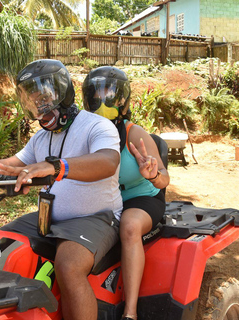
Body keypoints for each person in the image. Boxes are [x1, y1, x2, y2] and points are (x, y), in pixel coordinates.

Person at [0, 59, 123, 320]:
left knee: (69, 266)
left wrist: (56, 167)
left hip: (96, 218)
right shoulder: (40, 138)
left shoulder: (96, 126)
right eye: (34, 100)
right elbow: (8, 165)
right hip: (48, 219)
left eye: (45, 97)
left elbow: (108, 162)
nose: (40, 106)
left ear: (64, 93)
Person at [82, 66, 170, 320]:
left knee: (130, 226)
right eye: (95, 94)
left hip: (141, 198)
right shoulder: (85, 133)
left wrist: (152, 173)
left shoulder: (134, 133)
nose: (101, 100)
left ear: (122, 99)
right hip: (105, 199)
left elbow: (164, 180)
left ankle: (130, 312)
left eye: (108, 94)